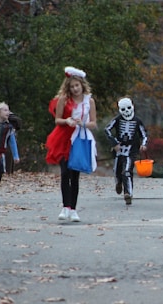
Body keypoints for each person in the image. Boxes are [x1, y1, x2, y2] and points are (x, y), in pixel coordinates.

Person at [45, 66, 97, 222]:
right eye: (72, 86)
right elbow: (57, 120)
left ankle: (73, 209)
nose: (75, 89)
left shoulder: (90, 101)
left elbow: (93, 123)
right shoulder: (63, 100)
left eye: (77, 86)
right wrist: (67, 121)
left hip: (80, 138)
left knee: (75, 175)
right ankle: (65, 206)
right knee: (65, 172)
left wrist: (83, 124)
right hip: (64, 138)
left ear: (82, 85)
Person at [104, 97, 148, 205]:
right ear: (119, 110)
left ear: (132, 107)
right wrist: (114, 143)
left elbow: (144, 135)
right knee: (117, 171)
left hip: (131, 150)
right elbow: (107, 129)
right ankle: (119, 183)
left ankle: (128, 193)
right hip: (118, 150)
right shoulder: (117, 119)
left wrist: (143, 144)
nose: (126, 111)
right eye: (123, 109)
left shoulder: (137, 121)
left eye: (128, 108)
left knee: (127, 171)